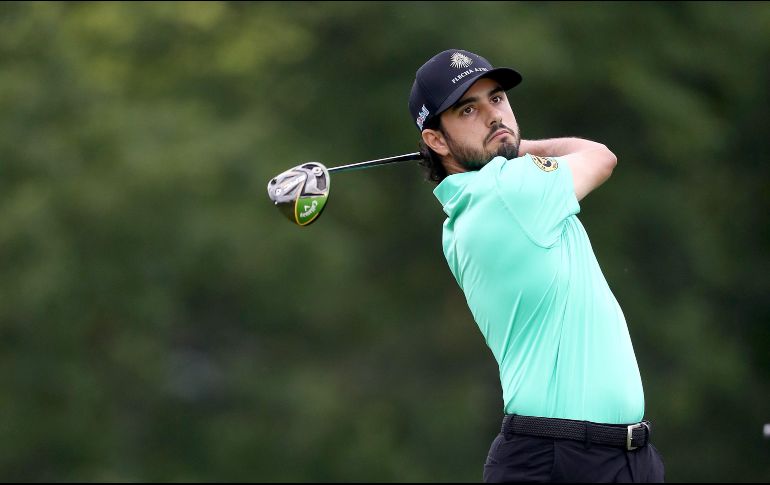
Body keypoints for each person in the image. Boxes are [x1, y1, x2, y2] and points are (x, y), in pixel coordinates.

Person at [408, 49, 665, 483]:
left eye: (498, 99)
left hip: (614, 456)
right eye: (468, 109)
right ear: (435, 140)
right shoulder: (508, 190)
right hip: (563, 458)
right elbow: (600, 156)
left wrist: (501, 146)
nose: (494, 115)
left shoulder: (468, 209)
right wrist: (519, 145)